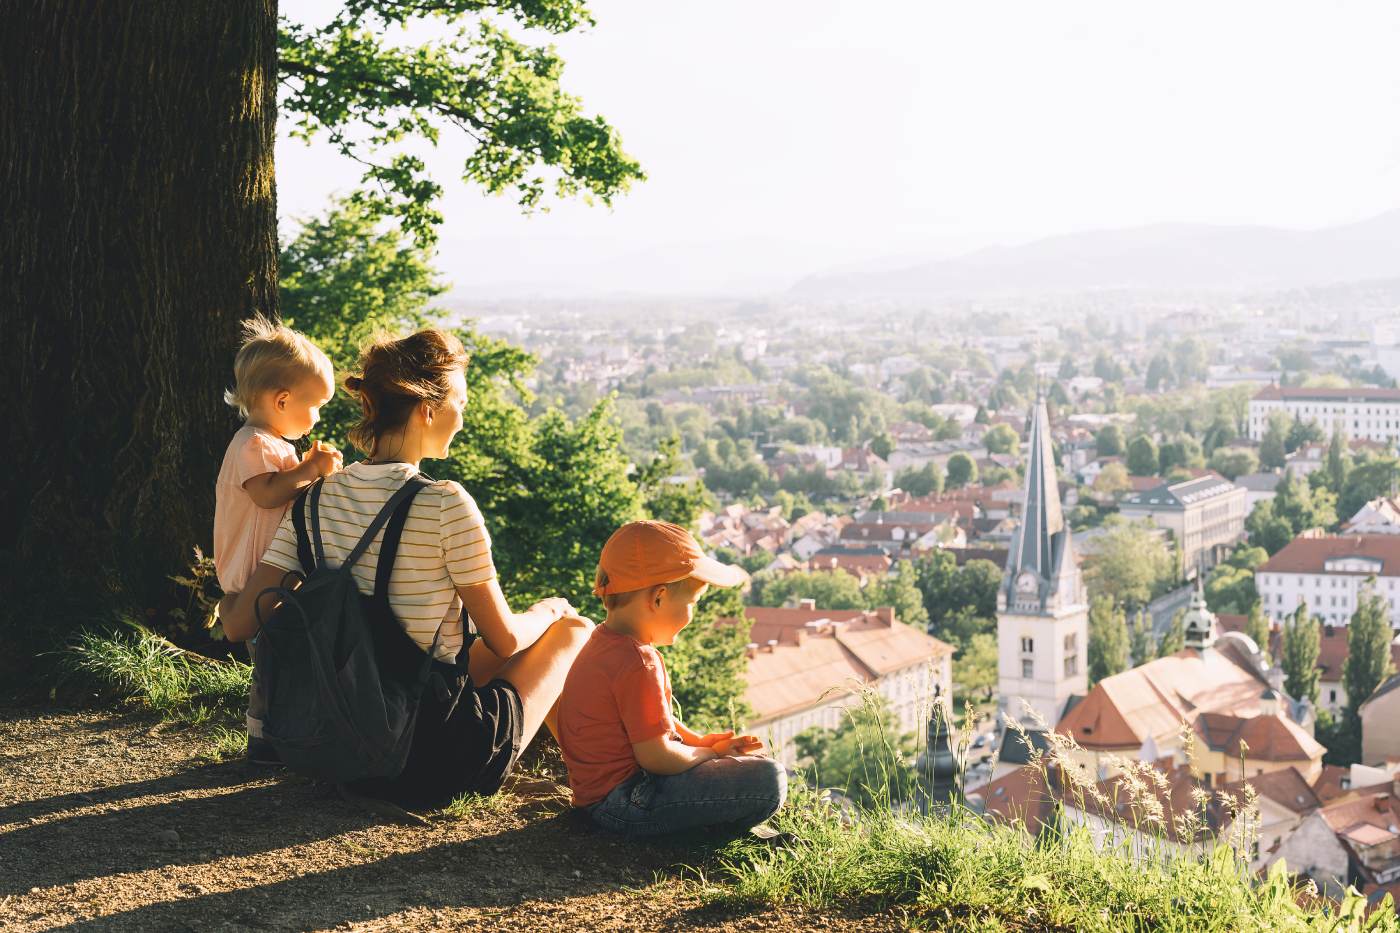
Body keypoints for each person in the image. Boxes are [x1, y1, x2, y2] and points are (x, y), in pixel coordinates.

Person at [222, 328, 593, 805]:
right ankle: (601, 780)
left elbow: (236, 625)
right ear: (428, 408)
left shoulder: (313, 498)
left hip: (338, 744)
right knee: (573, 630)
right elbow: (503, 639)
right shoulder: (445, 503)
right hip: (430, 759)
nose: (463, 416)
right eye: (461, 401)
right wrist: (548, 611)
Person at [557, 521, 787, 837]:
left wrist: (703, 742)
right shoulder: (639, 661)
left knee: (743, 772)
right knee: (769, 780)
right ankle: (706, 833)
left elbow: (650, 723)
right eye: (692, 603)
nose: (693, 614)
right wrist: (712, 754)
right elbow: (657, 756)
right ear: (659, 598)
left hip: (598, 800)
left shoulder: (604, 642)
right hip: (627, 803)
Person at [214, 315, 341, 751]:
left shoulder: (275, 446)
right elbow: (268, 494)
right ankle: (263, 736)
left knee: (282, 654)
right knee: (270, 660)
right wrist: (310, 469)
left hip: (269, 577)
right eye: (316, 404)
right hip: (253, 578)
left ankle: (283, 728)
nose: (319, 415)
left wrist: (306, 468)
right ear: (283, 400)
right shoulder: (251, 444)